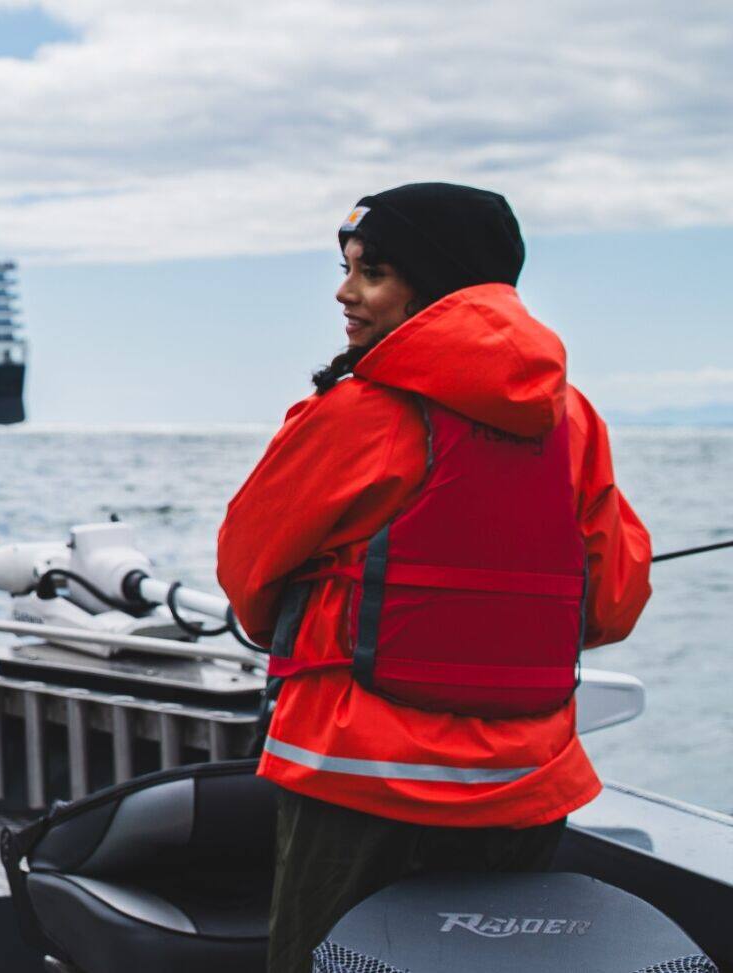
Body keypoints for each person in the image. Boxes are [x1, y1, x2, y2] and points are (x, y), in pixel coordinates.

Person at [217, 183, 653, 972]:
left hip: (355, 783)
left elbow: (248, 578)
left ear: (438, 282)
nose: (346, 293)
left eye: (374, 270)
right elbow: (613, 601)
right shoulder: (574, 419)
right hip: (524, 784)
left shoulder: (353, 414)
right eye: (347, 268)